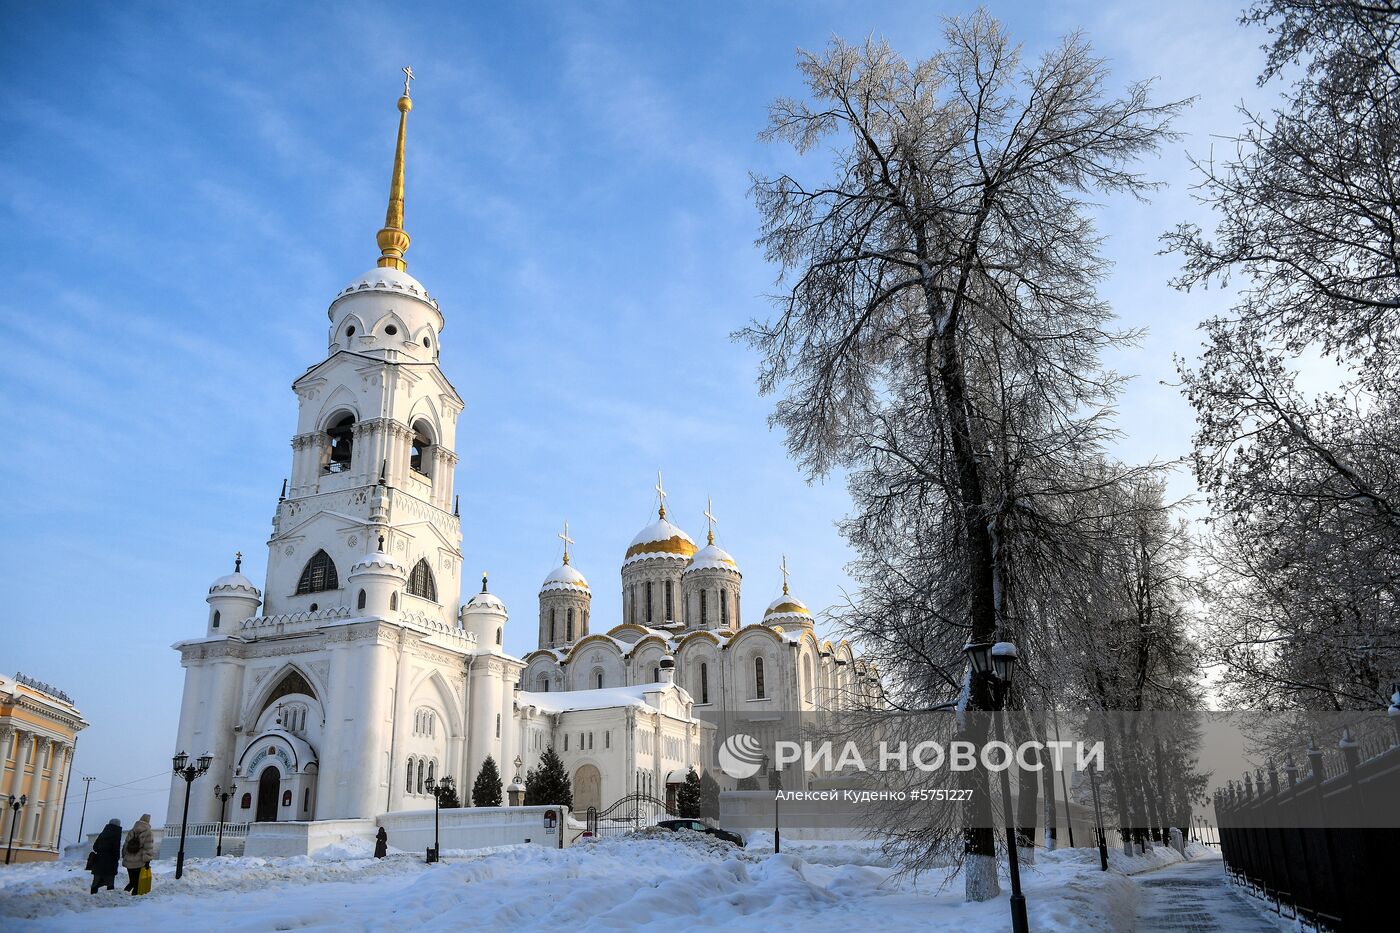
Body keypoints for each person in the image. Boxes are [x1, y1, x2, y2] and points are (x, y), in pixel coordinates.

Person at [121, 813, 156, 894]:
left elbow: (125, 845)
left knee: (131, 882)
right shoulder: (148, 833)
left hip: (128, 861)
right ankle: (134, 901)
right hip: (139, 862)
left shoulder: (132, 831)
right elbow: (148, 848)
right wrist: (147, 861)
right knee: (138, 883)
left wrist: (124, 856)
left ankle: (122, 895)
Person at [89, 819, 122, 893]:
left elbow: (95, 847)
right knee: (110, 881)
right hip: (110, 861)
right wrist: (116, 859)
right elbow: (116, 849)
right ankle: (108, 898)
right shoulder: (116, 834)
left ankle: (93, 894)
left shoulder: (103, 834)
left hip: (99, 860)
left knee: (96, 880)